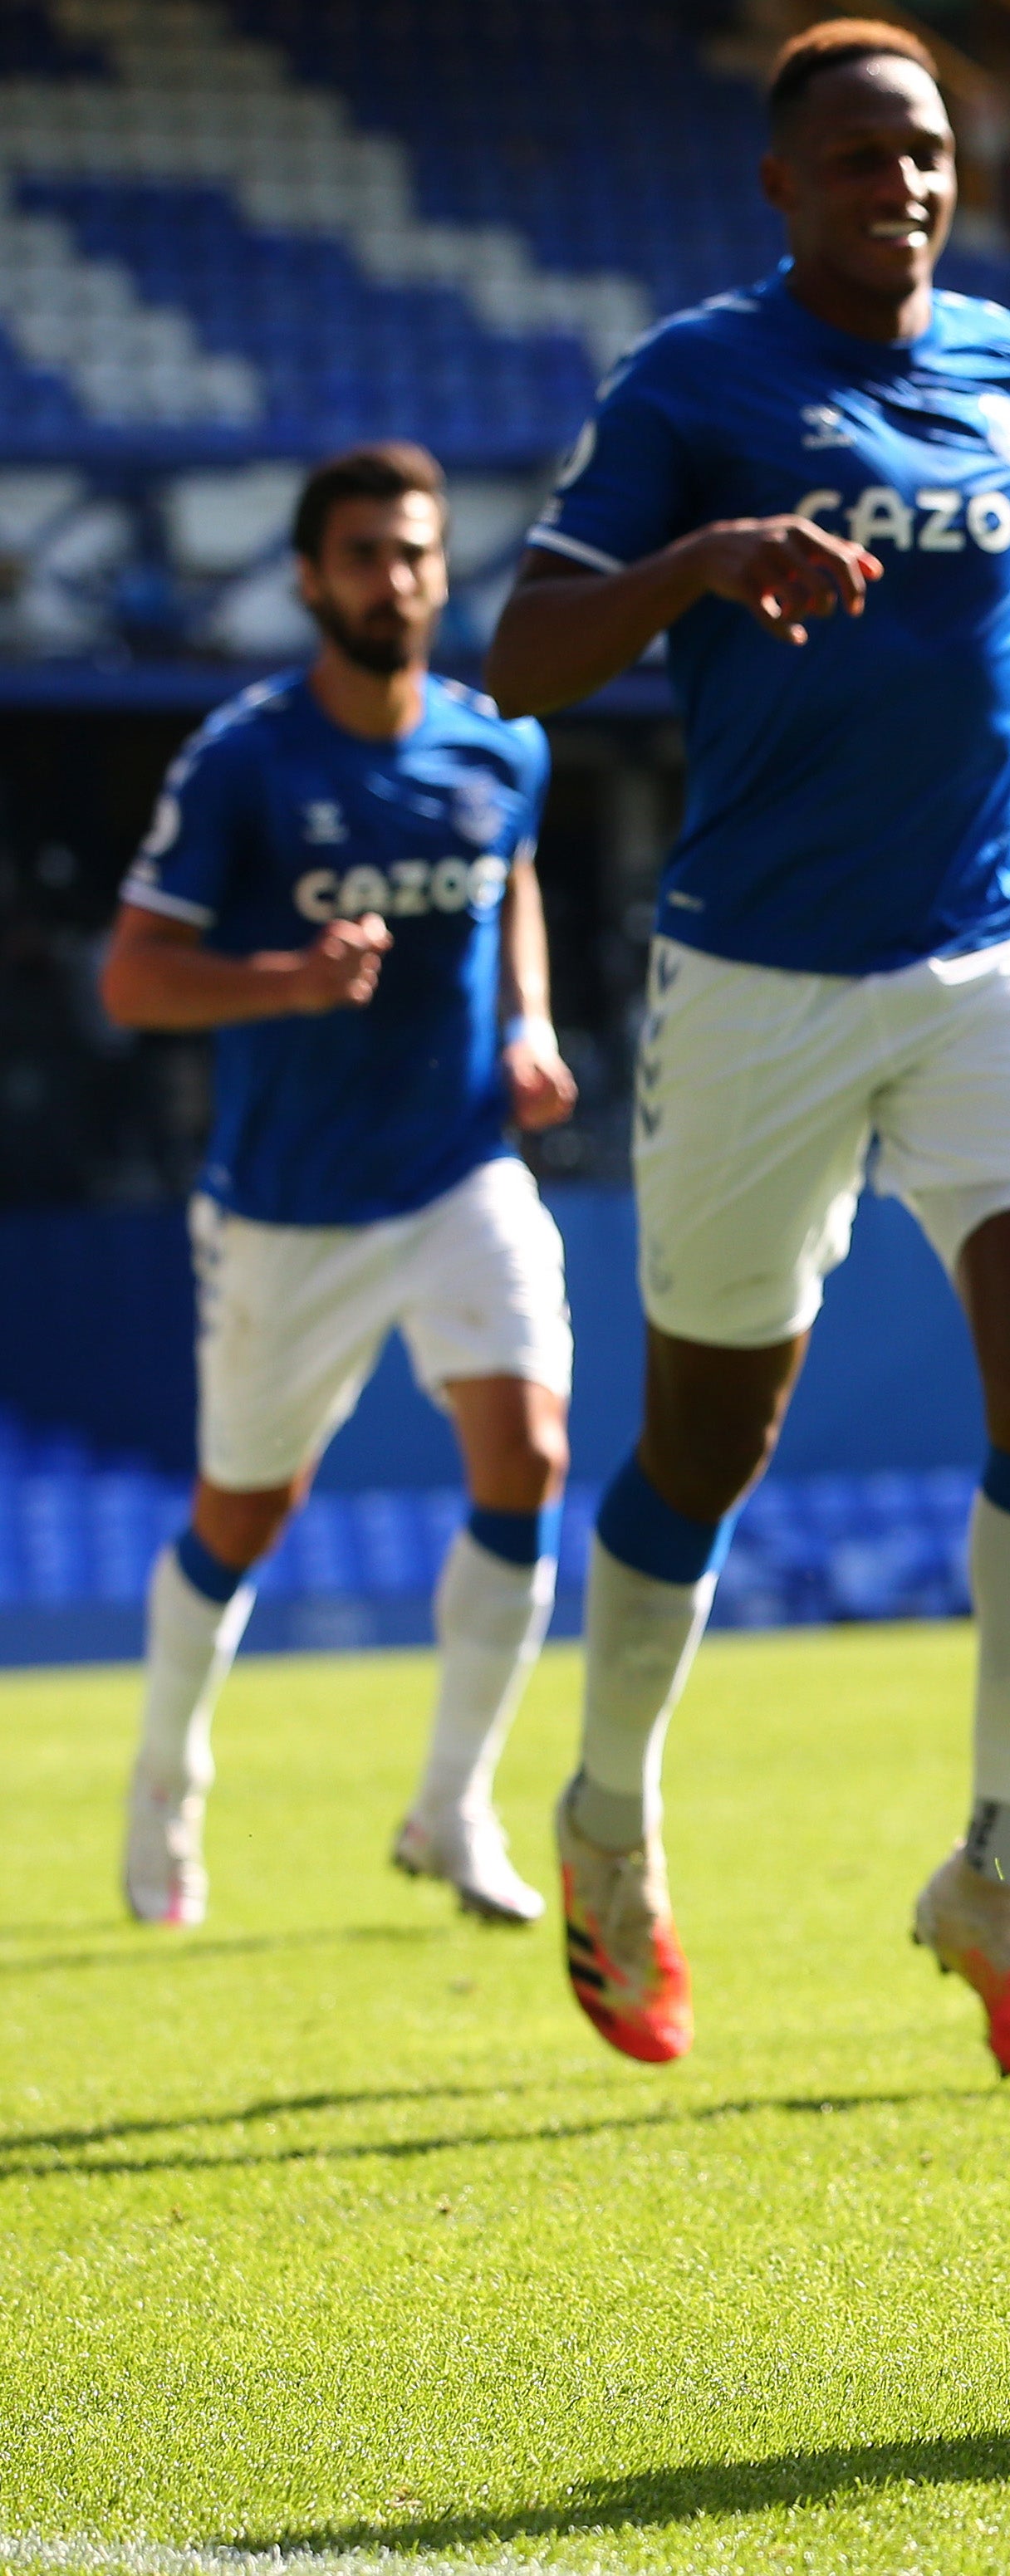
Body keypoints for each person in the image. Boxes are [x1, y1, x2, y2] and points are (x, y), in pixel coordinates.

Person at [484, 19, 1010, 2087]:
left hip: (993, 947)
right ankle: (604, 1820)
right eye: (858, 155)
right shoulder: (695, 383)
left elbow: (989, 584)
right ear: (782, 185)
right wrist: (701, 558)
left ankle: (1003, 1876)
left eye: (925, 149)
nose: (901, 183)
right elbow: (518, 656)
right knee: (706, 1441)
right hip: (756, 977)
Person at [102, 441, 575, 1932]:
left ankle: (453, 1805)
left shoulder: (499, 746)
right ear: (309, 580)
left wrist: (530, 1023)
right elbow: (133, 979)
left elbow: (515, 881)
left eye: (415, 552)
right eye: (363, 555)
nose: (395, 580)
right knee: (245, 1513)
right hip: (288, 1206)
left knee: (532, 1448)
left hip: (459, 1171)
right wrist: (287, 982)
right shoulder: (244, 759)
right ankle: (166, 1779)